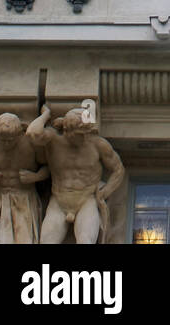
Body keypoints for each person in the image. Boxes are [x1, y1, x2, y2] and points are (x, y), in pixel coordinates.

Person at [27, 103, 124, 244]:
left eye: (86, 133)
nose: (85, 137)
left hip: (86, 200)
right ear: (68, 131)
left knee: (85, 241)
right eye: (81, 134)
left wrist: (105, 192)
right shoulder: (53, 140)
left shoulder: (98, 145)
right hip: (59, 201)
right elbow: (32, 133)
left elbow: (118, 169)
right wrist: (46, 114)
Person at [0, 112, 49, 244]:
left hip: (23, 199)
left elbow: (49, 167)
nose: (7, 144)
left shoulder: (31, 143)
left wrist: (35, 177)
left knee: (22, 241)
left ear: (19, 133)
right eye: (3, 139)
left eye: (11, 140)